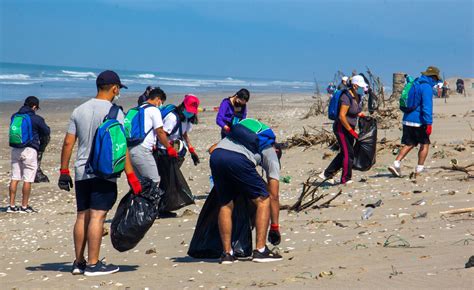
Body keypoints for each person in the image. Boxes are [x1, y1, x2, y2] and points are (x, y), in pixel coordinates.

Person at [58, 70, 142, 276]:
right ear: (114, 88)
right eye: (118, 89)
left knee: (81, 216)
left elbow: (69, 142)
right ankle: (94, 265)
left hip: (80, 172)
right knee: (97, 217)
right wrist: (132, 177)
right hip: (104, 172)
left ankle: (79, 263)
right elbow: (121, 148)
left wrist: (63, 170)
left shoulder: (79, 110)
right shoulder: (116, 112)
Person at [210, 119, 282, 264]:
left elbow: (211, 149)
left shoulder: (241, 136)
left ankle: (227, 254)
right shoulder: (271, 154)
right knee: (263, 200)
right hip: (237, 160)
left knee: (225, 203)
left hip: (217, 156)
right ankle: (260, 251)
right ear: (277, 150)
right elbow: (273, 196)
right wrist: (274, 226)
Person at [388, 66, 440, 178]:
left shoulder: (414, 83)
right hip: (419, 121)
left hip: (407, 119)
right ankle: (419, 170)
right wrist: (429, 123)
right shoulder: (426, 87)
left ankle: (396, 163)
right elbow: (427, 107)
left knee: (409, 143)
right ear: (433, 77)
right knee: (425, 144)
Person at [155, 94, 200, 217]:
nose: (190, 113)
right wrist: (169, 148)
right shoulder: (172, 118)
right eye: (189, 110)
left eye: (192, 111)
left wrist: (191, 150)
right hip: (164, 152)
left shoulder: (186, 119)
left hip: (175, 152)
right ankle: (160, 208)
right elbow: (161, 134)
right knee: (167, 181)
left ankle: (163, 207)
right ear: (183, 106)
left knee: (169, 181)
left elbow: (184, 134)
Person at [319, 75, 367, 185]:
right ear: (355, 86)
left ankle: (327, 173)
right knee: (348, 154)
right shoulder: (346, 97)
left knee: (345, 152)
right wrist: (351, 131)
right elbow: (342, 116)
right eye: (361, 86)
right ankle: (346, 179)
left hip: (350, 127)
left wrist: (361, 115)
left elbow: (354, 111)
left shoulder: (358, 96)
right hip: (341, 128)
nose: (362, 89)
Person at [7, 96, 50, 213]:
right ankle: (24, 206)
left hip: (15, 149)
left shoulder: (14, 116)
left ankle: (11, 205)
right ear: (34, 106)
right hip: (30, 150)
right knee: (28, 179)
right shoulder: (36, 119)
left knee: (15, 177)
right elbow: (46, 131)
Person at [128, 88, 173, 183]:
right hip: (142, 150)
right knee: (154, 181)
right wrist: (169, 148)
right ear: (157, 99)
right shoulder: (154, 110)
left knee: (140, 183)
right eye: (161, 102)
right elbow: (160, 131)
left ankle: (137, 198)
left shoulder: (138, 109)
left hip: (129, 149)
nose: (161, 105)